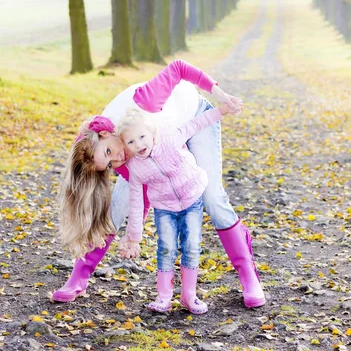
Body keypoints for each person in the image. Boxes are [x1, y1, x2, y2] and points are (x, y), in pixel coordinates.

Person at [53, 59, 266, 308]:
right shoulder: (119, 153)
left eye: (110, 151)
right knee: (118, 204)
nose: (117, 159)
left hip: (192, 119)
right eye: (109, 164)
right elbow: (141, 189)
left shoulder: (146, 102)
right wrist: (134, 236)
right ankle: (78, 277)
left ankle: (249, 276)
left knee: (212, 197)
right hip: (152, 142)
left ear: (105, 134)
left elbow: (178, 68)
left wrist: (220, 94)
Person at [116, 103, 234, 314]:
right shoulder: (135, 167)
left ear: (151, 132)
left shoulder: (171, 139)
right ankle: (164, 297)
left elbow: (196, 123)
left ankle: (189, 296)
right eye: (131, 142)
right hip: (164, 209)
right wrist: (133, 236)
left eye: (142, 136)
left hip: (191, 199)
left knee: (191, 245)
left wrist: (220, 111)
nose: (139, 144)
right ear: (125, 146)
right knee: (166, 248)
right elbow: (136, 202)